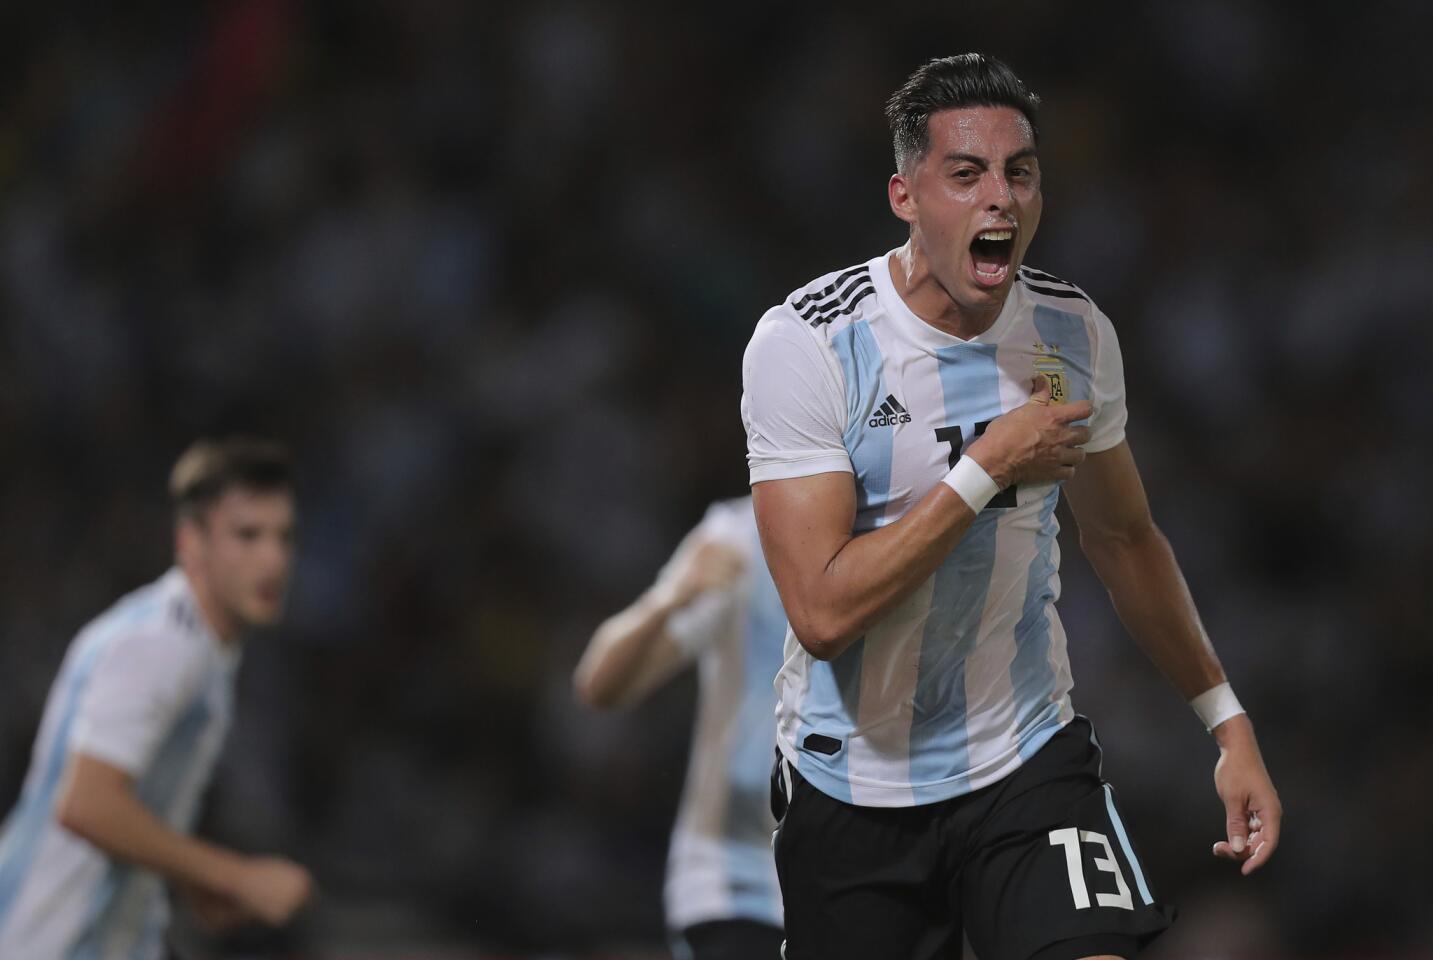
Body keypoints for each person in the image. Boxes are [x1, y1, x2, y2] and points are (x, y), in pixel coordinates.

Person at [740, 54, 1282, 960]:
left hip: (1023, 759)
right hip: (854, 785)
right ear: (904, 195)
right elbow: (822, 612)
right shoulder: (809, 344)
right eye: (966, 174)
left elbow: (1123, 536)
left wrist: (1227, 723)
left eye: (1019, 172)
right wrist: (987, 468)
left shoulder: (1071, 333)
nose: (1001, 197)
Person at [0, 437, 313, 959]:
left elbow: (125, 804)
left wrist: (191, 881)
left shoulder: (202, 646)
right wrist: (235, 876)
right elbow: (86, 804)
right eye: (247, 535)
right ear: (191, 543)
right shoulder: (160, 646)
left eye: (285, 537)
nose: (273, 559)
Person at [574, 497, 785, 959]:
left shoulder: (896, 517)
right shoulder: (738, 538)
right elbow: (601, 685)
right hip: (736, 882)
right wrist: (673, 595)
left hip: (856, 871)